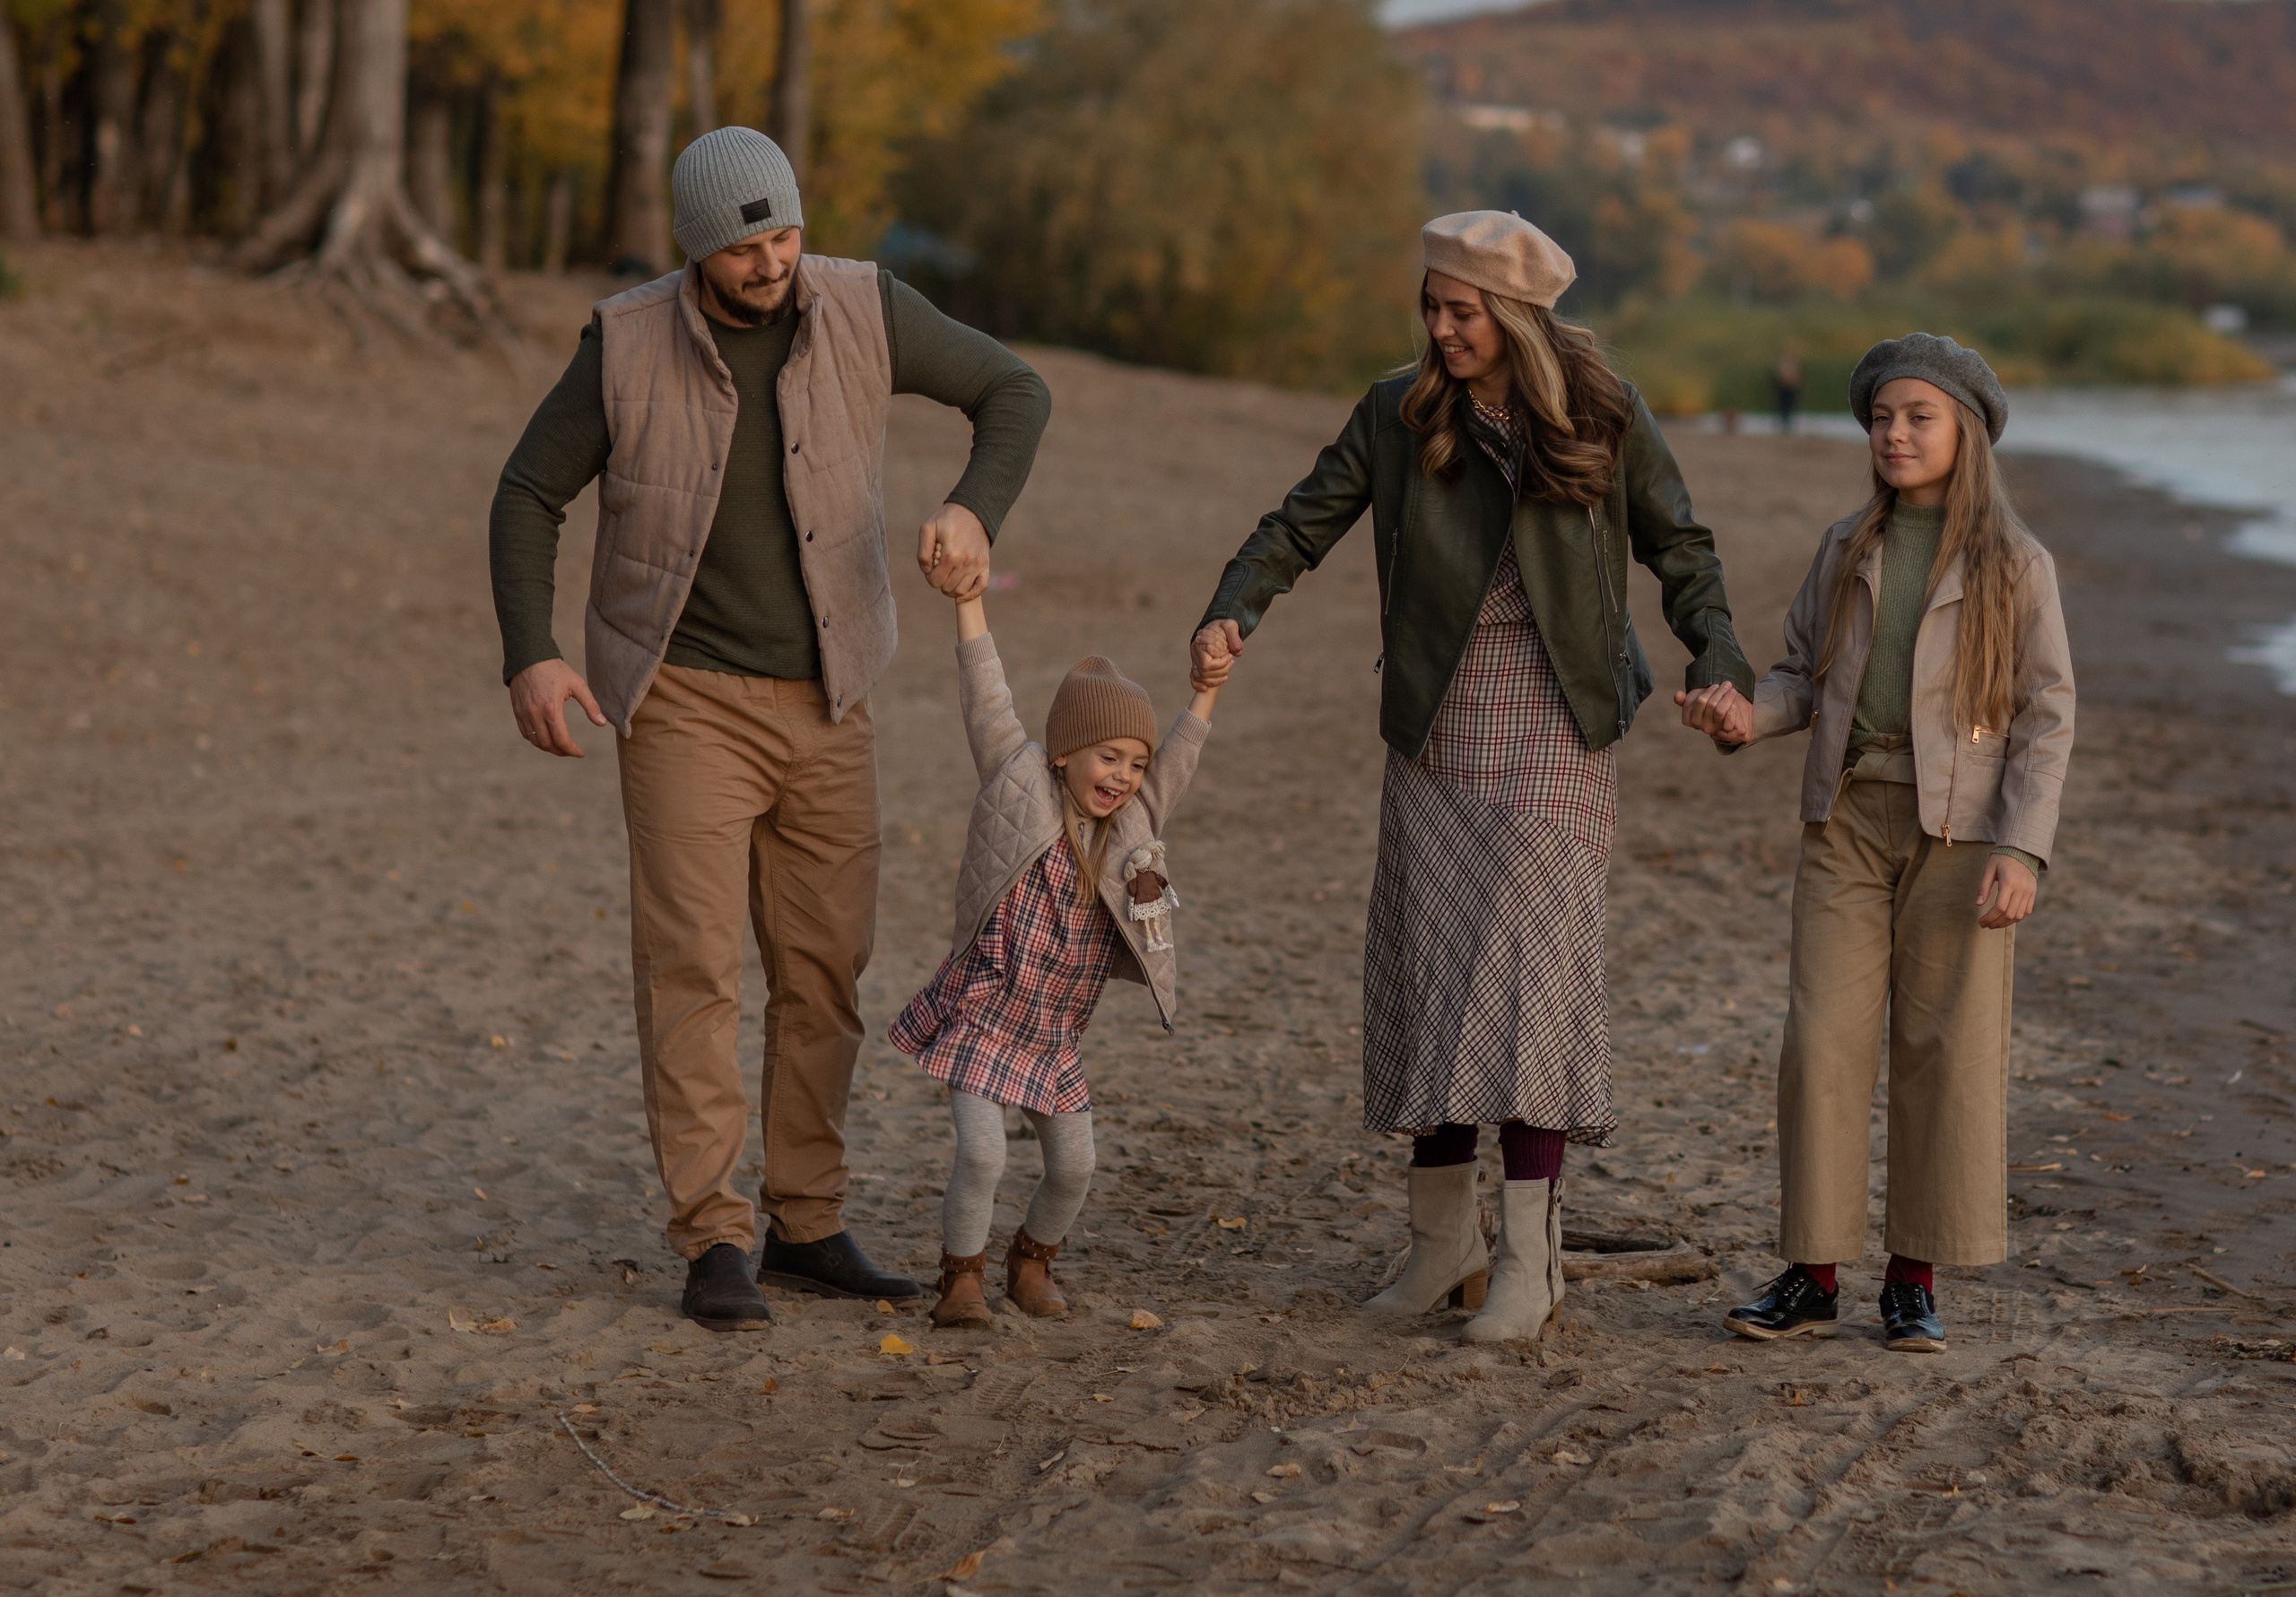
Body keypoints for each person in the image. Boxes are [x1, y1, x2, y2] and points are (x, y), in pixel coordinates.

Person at [486, 127, 1052, 1332]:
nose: (772, 262)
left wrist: (973, 507)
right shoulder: (626, 341)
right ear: (698, 249)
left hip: (831, 699)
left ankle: (806, 1222)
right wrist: (531, 651)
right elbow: (528, 491)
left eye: (786, 234)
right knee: (692, 967)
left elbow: (1015, 389)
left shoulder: (865, 305)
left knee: (824, 968)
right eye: (746, 247)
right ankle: (713, 1234)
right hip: (682, 698)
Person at [1190, 211, 1753, 1344]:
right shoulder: (1397, 412)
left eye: (1462, 313)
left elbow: (1679, 545)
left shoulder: (1603, 408)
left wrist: (1719, 657)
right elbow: (1300, 522)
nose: (1441, 330)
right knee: (1433, 971)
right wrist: (1232, 605)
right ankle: (1444, 1245)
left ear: (1515, 315)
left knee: (1527, 979)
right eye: (1432, 308)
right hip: (1438, 718)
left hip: (1563, 717)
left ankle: (1530, 1266)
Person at [1684, 334, 2074, 1353]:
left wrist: (2023, 850)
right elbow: (1802, 676)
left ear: (1966, 432)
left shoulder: (2017, 562)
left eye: (1918, 417)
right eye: (1881, 417)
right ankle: (1813, 1276)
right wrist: (1746, 716)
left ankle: (1912, 1281)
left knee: (1944, 1052)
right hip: (1846, 819)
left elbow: (2046, 717)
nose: (1893, 433)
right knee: (1820, 1042)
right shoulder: (1845, 545)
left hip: (1964, 835)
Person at [894, 591, 1217, 1329]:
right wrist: (968, 601)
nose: (1124, 775)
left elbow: (1179, 761)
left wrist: (1205, 692)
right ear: (1065, 751)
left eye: (1135, 763)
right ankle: (961, 1279)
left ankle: (1031, 1261)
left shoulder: (1132, 822)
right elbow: (986, 695)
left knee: (1075, 1166)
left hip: (1051, 1037)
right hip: (983, 1017)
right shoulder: (1016, 780)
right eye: (1110, 757)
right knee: (983, 1156)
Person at [1774, 346, 1804, 435]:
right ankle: (1784, 423)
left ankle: (1788, 423)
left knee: (1790, 406)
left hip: (1790, 389)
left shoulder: (1791, 365)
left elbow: (1796, 378)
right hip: (1784, 389)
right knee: (1784, 406)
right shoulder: (1783, 365)